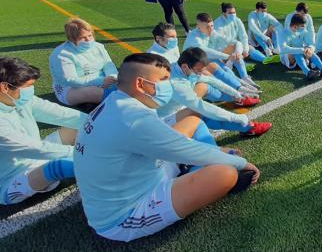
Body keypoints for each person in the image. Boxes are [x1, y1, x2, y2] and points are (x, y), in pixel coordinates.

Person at [74, 53, 260, 242]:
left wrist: (218, 152)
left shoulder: (118, 103)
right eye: (163, 80)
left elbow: (174, 143)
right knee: (225, 174)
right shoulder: (134, 118)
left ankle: (194, 169)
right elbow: (187, 150)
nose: (167, 85)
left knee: (191, 117)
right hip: (124, 216)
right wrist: (240, 162)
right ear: (140, 84)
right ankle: (196, 172)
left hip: (139, 174)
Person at [0, 56, 88, 205]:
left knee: (84, 128)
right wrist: (89, 155)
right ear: (5, 87)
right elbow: (34, 148)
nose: (30, 91)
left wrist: (96, 121)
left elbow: (57, 113)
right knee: (59, 166)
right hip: (8, 181)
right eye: (28, 86)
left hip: (35, 155)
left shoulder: (14, 98)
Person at [159, 48, 271, 141]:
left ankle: (246, 124)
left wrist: (235, 92)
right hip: (163, 123)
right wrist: (235, 117)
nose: (199, 73)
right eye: (197, 71)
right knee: (200, 118)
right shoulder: (177, 83)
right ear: (185, 67)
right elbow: (203, 107)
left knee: (201, 99)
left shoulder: (181, 68)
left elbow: (210, 80)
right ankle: (245, 129)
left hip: (178, 109)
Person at [49, 18, 118, 106]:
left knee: (127, 79)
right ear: (71, 39)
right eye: (83, 38)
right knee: (92, 92)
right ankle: (118, 101)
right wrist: (101, 81)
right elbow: (71, 80)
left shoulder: (98, 47)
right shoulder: (61, 54)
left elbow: (108, 65)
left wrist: (113, 77)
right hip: (70, 88)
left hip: (103, 80)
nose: (88, 40)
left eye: (90, 35)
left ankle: (101, 100)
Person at [184, 13, 261, 91]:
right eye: (207, 27)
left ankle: (244, 79)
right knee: (219, 71)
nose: (211, 29)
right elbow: (205, 51)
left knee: (227, 63)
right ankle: (240, 87)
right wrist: (227, 56)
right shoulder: (194, 38)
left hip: (205, 59)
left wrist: (237, 53)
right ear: (198, 27)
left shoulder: (212, 32)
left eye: (212, 26)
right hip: (192, 66)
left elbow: (236, 42)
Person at [214, 2, 280, 64]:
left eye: (234, 12)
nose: (233, 15)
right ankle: (244, 65)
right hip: (225, 47)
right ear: (224, 13)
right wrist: (236, 46)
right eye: (230, 13)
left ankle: (265, 59)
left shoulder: (237, 20)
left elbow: (243, 35)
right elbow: (220, 40)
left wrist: (245, 49)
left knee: (249, 48)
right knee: (234, 53)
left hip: (237, 45)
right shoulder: (218, 23)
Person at [278, 13, 322, 80]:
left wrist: (309, 48)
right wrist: (302, 50)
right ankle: (308, 72)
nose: (303, 28)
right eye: (302, 26)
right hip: (286, 57)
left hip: (301, 55)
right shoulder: (282, 32)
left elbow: (310, 43)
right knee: (297, 52)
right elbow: (283, 49)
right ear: (295, 26)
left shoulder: (301, 31)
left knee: (308, 51)